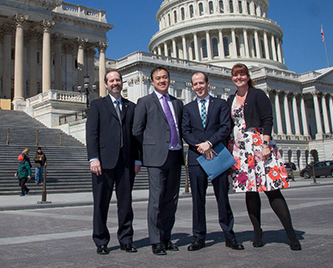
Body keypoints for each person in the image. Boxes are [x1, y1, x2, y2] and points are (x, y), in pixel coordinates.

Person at [226, 63, 301, 251]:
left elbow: (268, 118)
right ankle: (257, 231)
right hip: (240, 149)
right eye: (236, 75)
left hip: (260, 144)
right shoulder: (230, 99)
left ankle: (290, 233)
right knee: (250, 193)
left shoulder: (258, 94)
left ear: (248, 76)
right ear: (232, 78)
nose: (239, 78)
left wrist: (266, 144)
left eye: (242, 74)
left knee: (272, 190)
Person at [181, 72, 244, 251]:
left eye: (201, 83)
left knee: (222, 198)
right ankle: (199, 237)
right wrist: (199, 145)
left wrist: (209, 143)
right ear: (192, 87)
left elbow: (225, 127)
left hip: (217, 154)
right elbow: (185, 131)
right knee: (197, 200)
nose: (198, 87)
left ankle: (229, 235)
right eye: (195, 84)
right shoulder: (188, 108)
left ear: (208, 84)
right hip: (196, 156)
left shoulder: (221, 104)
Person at [86, 70, 142, 255]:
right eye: (111, 80)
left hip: (126, 162)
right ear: (106, 84)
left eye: (118, 80)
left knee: (126, 203)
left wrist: (137, 159)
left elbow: (136, 136)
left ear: (122, 82)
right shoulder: (97, 105)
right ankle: (101, 241)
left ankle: (126, 239)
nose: (115, 83)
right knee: (101, 203)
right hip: (103, 162)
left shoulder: (131, 107)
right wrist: (94, 158)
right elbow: (92, 134)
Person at [133, 66, 184, 256]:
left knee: (172, 200)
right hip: (155, 157)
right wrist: (142, 155)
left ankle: (166, 237)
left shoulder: (177, 103)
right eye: (158, 78)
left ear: (169, 80)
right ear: (152, 82)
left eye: (164, 77)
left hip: (175, 154)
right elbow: (137, 131)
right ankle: (155, 240)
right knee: (156, 200)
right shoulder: (144, 102)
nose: (162, 80)